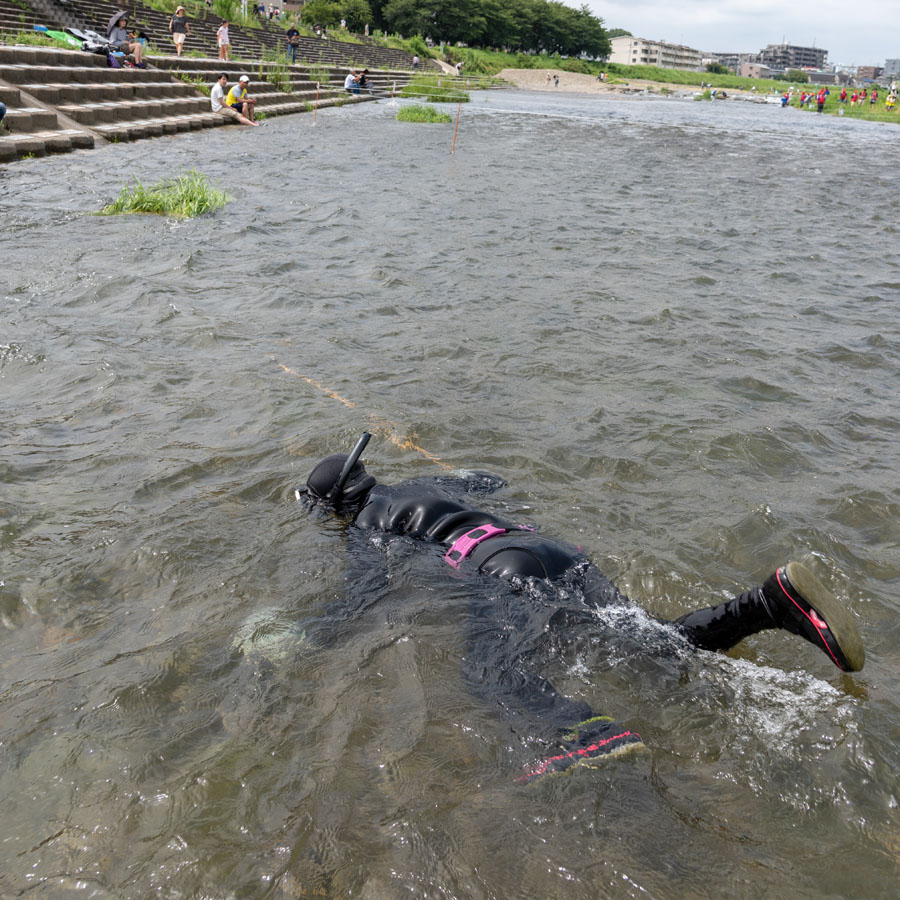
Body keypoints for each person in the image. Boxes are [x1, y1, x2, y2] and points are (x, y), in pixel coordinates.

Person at [296, 435, 865, 783]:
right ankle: (770, 602)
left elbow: (358, 601)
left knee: (485, 673)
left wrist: (298, 636)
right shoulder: (419, 481)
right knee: (655, 639)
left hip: (502, 569)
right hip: (551, 549)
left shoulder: (365, 527)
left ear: (336, 507)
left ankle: (584, 733)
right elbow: (486, 479)